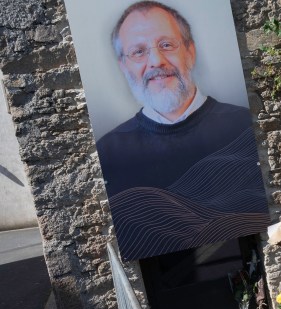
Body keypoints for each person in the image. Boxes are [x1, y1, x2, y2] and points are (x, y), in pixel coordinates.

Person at [96, 0, 269, 260]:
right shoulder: (109, 152)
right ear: (123, 65)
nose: (156, 61)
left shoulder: (244, 125)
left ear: (190, 51)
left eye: (167, 45)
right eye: (138, 52)